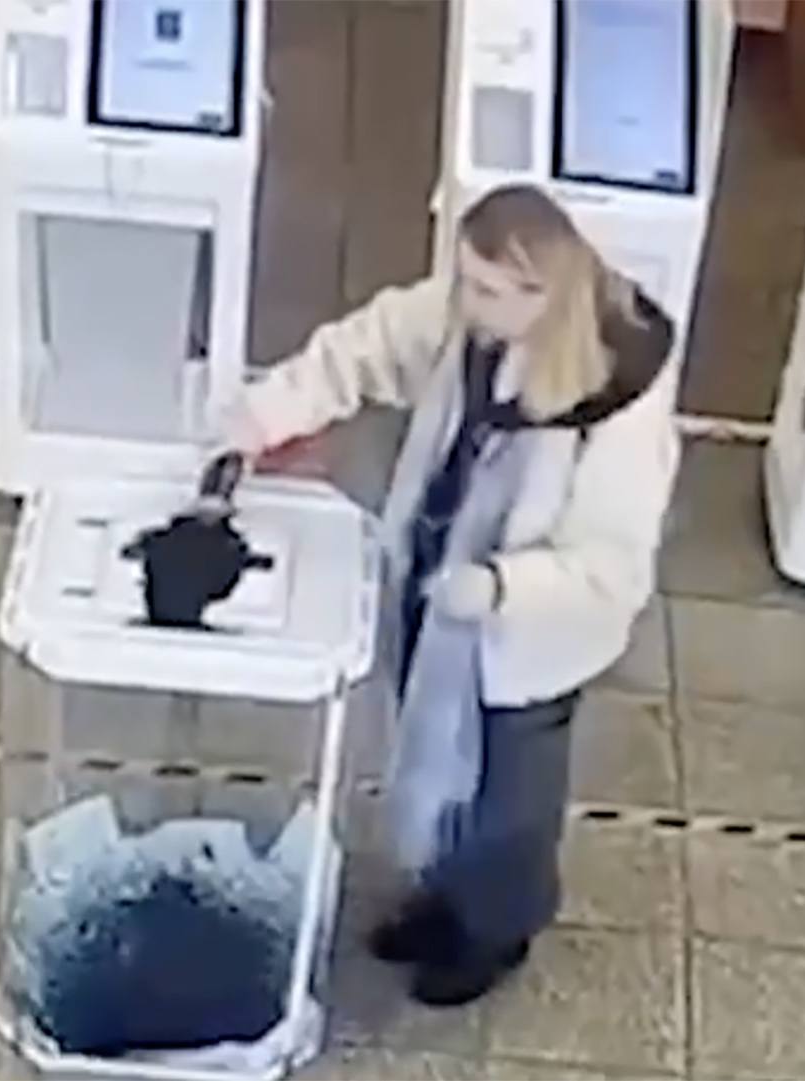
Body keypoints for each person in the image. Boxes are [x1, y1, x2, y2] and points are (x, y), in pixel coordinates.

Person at [218, 183, 680, 1008]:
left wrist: (501, 587)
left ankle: (496, 928)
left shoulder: (619, 405)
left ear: (541, 291)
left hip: (525, 643)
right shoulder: (473, 316)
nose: (465, 303)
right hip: (435, 582)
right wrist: (265, 415)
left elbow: (612, 566)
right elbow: (360, 350)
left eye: (488, 291)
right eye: (464, 280)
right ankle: (443, 893)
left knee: (509, 797)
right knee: (435, 755)